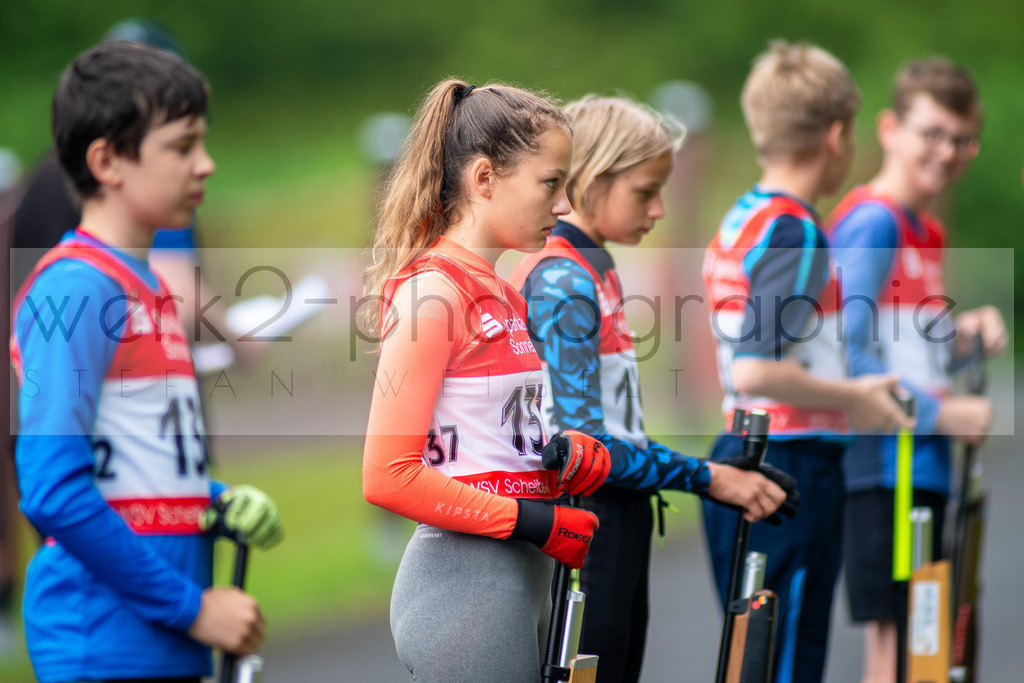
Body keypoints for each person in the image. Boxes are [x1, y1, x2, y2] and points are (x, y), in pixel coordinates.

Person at [10, 41, 284, 682]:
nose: (206, 165)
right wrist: (192, 609)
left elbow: (133, 472)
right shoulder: (77, 289)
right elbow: (51, 488)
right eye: (182, 146)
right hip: (103, 646)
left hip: (160, 647)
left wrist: (213, 501)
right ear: (106, 160)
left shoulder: (149, 288)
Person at [508, 94, 798, 682]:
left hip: (615, 518)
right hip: (590, 521)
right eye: (645, 191)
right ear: (591, 180)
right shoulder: (563, 278)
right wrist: (710, 477)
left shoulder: (594, 266)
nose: (659, 209)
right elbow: (585, 451)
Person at [361, 79, 612, 683]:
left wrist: (562, 458)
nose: (563, 206)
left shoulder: (501, 291)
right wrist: (534, 521)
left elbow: (489, 443)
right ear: (484, 179)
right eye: (550, 183)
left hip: (517, 573)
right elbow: (387, 476)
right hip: (463, 582)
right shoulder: (435, 293)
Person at [701, 41, 915, 683]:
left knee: (754, 661)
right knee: (787, 660)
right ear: (837, 135)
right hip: (790, 466)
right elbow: (756, 368)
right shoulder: (796, 231)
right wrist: (860, 396)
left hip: (746, 451)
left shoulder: (741, 216)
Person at [827, 57, 1006, 683]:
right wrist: (943, 414)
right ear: (890, 129)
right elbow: (844, 354)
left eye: (961, 139)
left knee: (925, 653)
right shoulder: (873, 222)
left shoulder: (923, 229)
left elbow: (906, 346)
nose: (947, 152)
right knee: (903, 650)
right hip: (885, 468)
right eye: (932, 133)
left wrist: (964, 336)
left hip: (923, 465)